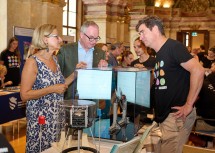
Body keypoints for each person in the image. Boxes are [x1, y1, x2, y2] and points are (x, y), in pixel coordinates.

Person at [136, 15, 205, 153]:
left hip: (176, 117)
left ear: (154, 29)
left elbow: (198, 71)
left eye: (142, 32)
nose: (141, 37)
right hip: (167, 118)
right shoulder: (159, 53)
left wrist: (189, 105)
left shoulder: (173, 47)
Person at [20, 24, 75, 152]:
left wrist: (75, 73)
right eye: (56, 36)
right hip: (40, 121)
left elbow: (60, 85)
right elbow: (24, 95)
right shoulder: (32, 62)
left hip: (57, 119)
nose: (60, 39)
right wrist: (52, 89)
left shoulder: (55, 60)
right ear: (45, 39)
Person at [57, 21, 108, 100]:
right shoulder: (65, 50)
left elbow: (102, 82)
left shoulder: (101, 53)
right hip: (69, 100)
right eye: (91, 38)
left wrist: (104, 70)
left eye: (96, 38)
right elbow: (57, 77)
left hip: (92, 100)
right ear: (81, 35)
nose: (94, 41)